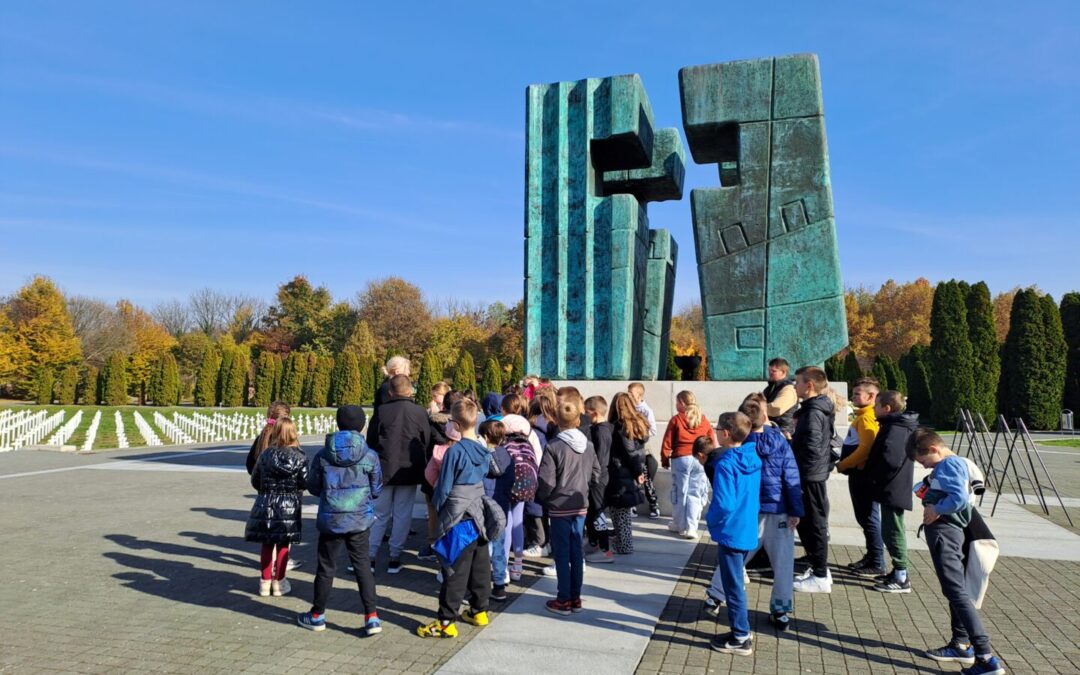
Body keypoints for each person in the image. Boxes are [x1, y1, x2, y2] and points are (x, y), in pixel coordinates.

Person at [910, 429, 1006, 675]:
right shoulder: (955, 464)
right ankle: (963, 645)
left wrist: (937, 510)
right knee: (955, 590)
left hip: (945, 531)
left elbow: (960, 498)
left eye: (923, 461)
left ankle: (985, 657)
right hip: (948, 531)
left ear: (933, 449)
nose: (923, 467)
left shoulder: (948, 465)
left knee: (956, 591)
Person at [418, 398, 505, 639]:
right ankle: (479, 610)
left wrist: (437, 507)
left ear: (454, 424)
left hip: (458, 515)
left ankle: (446, 621)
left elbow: (444, 486)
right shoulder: (483, 449)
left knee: (454, 569)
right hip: (478, 512)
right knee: (479, 565)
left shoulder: (454, 452)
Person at [296, 406, 383, 635]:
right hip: (359, 519)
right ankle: (371, 616)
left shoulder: (324, 454)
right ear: (362, 425)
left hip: (331, 519)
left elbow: (313, 487)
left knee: (326, 567)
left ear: (338, 424)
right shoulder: (369, 455)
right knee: (362, 566)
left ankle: (317, 615)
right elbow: (376, 490)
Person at [739, 399, 802, 630]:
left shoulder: (741, 443)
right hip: (779, 508)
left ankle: (715, 593)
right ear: (765, 417)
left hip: (750, 510)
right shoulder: (781, 442)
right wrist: (796, 509)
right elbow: (791, 476)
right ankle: (781, 609)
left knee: (736, 555)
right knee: (784, 563)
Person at [705, 412, 762, 656]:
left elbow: (724, 504)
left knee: (733, 586)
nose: (715, 432)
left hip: (731, 531)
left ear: (726, 434)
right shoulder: (753, 456)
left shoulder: (726, 463)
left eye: (717, 428)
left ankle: (740, 635)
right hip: (746, 527)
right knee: (735, 582)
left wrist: (711, 519)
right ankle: (740, 631)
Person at [537, 399, 601, 615]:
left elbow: (546, 481)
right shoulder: (589, 446)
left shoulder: (553, 446)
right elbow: (596, 474)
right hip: (580, 503)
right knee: (576, 552)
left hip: (559, 506)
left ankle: (563, 598)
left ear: (556, 420)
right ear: (577, 420)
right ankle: (575, 597)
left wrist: (544, 499)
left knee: (562, 553)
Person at [367, 374, 430, 573]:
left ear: (391, 392)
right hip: (409, 469)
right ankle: (395, 555)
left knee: (379, 513)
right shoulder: (419, 412)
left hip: (384, 468)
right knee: (403, 514)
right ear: (410, 391)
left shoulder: (382, 411)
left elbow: (371, 440)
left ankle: (370, 554)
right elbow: (425, 440)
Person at [245, 416, 307, 598]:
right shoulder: (300, 457)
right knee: (283, 545)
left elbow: (255, 480)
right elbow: (304, 482)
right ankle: (279, 581)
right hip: (289, 505)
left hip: (267, 503)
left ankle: (264, 582)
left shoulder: (265, 455)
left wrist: (266, 491)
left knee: (266, 544)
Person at [865, 390, 919, 594]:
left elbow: (891, 459)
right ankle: (897, 571)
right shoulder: (895, 425)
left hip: (892, 487)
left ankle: (901, 576)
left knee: (893, 530)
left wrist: (873, 472)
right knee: (890, 529)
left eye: (877, 405)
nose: (873, 408)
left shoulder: (896, 428)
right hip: (891, 486)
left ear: (887, 408)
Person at [791, 366, 836, 594]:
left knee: (814, 524)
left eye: (797, 382)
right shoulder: (813, 409)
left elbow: (811, 448)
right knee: (809, 523)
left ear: (809, 386)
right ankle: (818, 568)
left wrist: (798, 471)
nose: (794, 386)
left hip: (810, 476)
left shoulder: (813, 412)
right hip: (811, 474)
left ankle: (820, 574)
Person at [835, 378, 884, 577]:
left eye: (857, 394)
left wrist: (844, 464)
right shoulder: (862, 416)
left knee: (869, 518)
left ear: (871, 396)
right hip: (859, 474)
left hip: (863, 475)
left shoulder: (866, 418)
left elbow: (866, 448)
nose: (853, 397)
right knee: (864, 517)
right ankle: (871, 556)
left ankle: (877, 561)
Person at [497, 394, 542, 580]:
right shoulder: (529, 430)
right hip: (526, 480)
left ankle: (503, 567)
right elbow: (537, 456)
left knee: (505, 522)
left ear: (503, 409)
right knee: (518, 522)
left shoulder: (500, 427)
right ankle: (518, 566)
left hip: (506, 480)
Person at [661, 390, 717, 538]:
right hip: (700, 459)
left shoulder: (676, 419)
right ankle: (692, 528)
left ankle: (678, 524)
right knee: (695, 493)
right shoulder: (703, 419)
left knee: (680, 492)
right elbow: (711, 440)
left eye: (677, 401)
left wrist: (665, 458)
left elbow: (667, 441)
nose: (676, 404)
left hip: (681, 458)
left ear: (682, 403)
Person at [607, 392, 649, 554]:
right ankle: (623, 543)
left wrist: (637, 471)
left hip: (621, 472)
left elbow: (629, 451)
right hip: (629, 472)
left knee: (620, 512)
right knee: (622, 511)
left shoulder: (622, 426)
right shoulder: (639, 423)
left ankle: (624, 545)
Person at [479, 419, 513, 602]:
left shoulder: (483, 455)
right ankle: (499, 585)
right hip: (501, 506)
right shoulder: (508, 455)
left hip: (484, 505)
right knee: (499, 546)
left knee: (481, 547)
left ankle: (479, 586)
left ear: (485, 436)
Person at [584, 396, 614, 563]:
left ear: (594, 414)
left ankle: (605, 550)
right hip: (596, 477)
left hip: (598, 478)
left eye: (587, 413)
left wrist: (594, 478)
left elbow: (600, 460)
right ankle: (595, 543)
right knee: (592, 512)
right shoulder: (599, 428)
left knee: (597, 512)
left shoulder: (601, 431)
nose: (585, 416)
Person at [628, 382, 660, 518]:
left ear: (640, 395)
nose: (629, 395)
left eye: (631, 393)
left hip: (643, 448)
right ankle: (632, 505)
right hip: (630, 448)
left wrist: (639, 433)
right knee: (632, 478)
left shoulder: (646, 410)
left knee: (646, 478)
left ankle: (653, 504)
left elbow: (653, 430)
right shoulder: (628, 409)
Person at [762, 358, 799, 438]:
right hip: (771, 430)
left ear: (783, 372)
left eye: (774, 371)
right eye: (769, 370)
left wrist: (756, 410)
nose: (770, 373)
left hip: (783, 434)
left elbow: (776, 408)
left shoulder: (789, 389)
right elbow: (758, 401)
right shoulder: (771, 387)